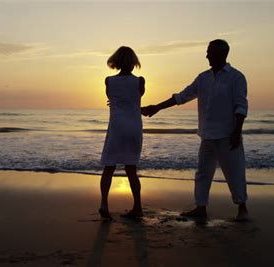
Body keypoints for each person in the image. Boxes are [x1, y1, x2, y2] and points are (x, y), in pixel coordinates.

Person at [141, 39, 249, 221]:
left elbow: (241, 106)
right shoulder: (203, 78)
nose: (206, 55)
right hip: (207, 135)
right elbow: (182, 96)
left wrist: (237, 132)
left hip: (227, 135)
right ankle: (201, 208)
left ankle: (242, 208)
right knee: (202, 173)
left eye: (210, 52)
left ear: (222, 54)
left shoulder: (236, 77)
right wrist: (157, 107)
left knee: (235, 172)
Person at [99, 46, 145, 220]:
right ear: (134, 62)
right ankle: (137, 207)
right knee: (131, 169)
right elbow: (137, 97)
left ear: (116, 62)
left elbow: (112, 98)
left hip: (116, 127)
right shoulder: (140, 81)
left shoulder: (109, 81)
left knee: (109, 167)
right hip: (133, 127)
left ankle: (104, 204)